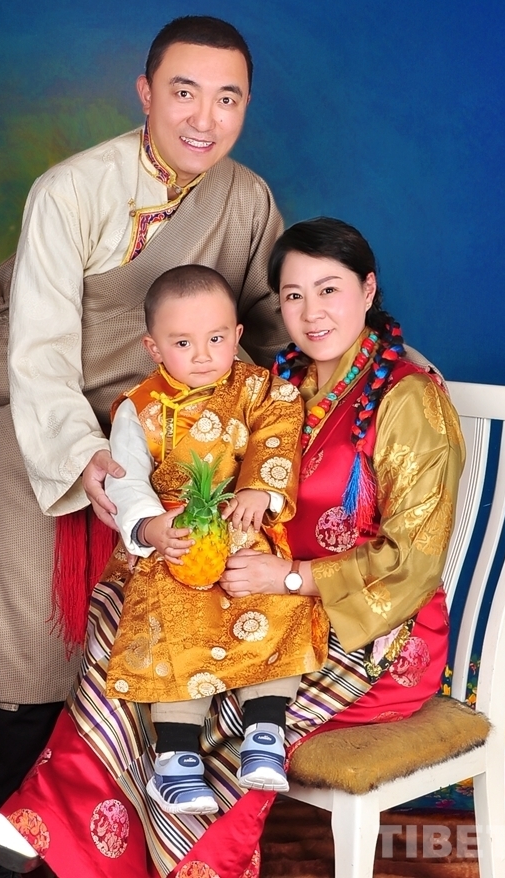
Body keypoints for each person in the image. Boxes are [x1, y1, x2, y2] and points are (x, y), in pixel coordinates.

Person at [0, 216, 465, 878]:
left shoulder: (407, 399)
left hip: (371, 625)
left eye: (329, 290)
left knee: (215, 691)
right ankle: (56, 823)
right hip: (249, 584)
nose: (311, 313)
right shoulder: (275, 382)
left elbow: (415, 560)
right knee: (135, 624)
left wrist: (288, 577)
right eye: (293, 295)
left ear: (368, 289)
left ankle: (134, 848)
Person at [0, 14, 288, 861]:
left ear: (247, 105)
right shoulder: (69, 191)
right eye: (184, 92)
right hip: (49, 434)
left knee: (155, 655)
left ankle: (122, 854)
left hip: (176, 453)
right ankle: (20, 851)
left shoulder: (246, 199)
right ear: (145, 93)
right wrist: (90, 458)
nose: (204, 119)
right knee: (35, 655)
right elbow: (37, 354)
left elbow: (280, 325)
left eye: (227, 98)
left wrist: (383, 365)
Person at [102, 264, 329, 816]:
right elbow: (125, 479)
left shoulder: (260, 389)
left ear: (237, 334)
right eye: (183, 343)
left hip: (243, 531)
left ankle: (265, 732)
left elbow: (279, 430)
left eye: (216, 339)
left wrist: (259, 490)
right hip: (178, 539)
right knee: (174, 620)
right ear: (154, 347)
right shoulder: (139, 407)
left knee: (273, 603)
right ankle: (175, 760)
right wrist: (150, 527)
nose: (203, 355)